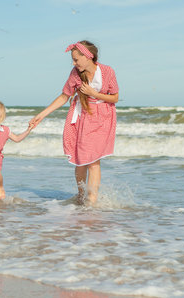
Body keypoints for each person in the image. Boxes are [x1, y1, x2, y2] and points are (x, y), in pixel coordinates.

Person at [30, 40, 119, 205]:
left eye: (76, 59)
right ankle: (81, 195)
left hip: (103, 118)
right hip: (82, 117)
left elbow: (115, 97)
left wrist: (94, 93)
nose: (74, 63)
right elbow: (64, 96)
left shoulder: (107, 71)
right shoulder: (75, 73)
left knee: (94, 160)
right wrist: (41, 115)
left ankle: (91, 200)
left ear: (88, 57)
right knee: (81, 160)